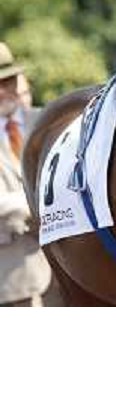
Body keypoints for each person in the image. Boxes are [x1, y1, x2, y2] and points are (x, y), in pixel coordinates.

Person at [0, 42, 56, 307]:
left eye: (7, 80)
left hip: (72, 270)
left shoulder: (51, 121)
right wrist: (47, 207)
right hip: (14, 279)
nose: (2, 90)